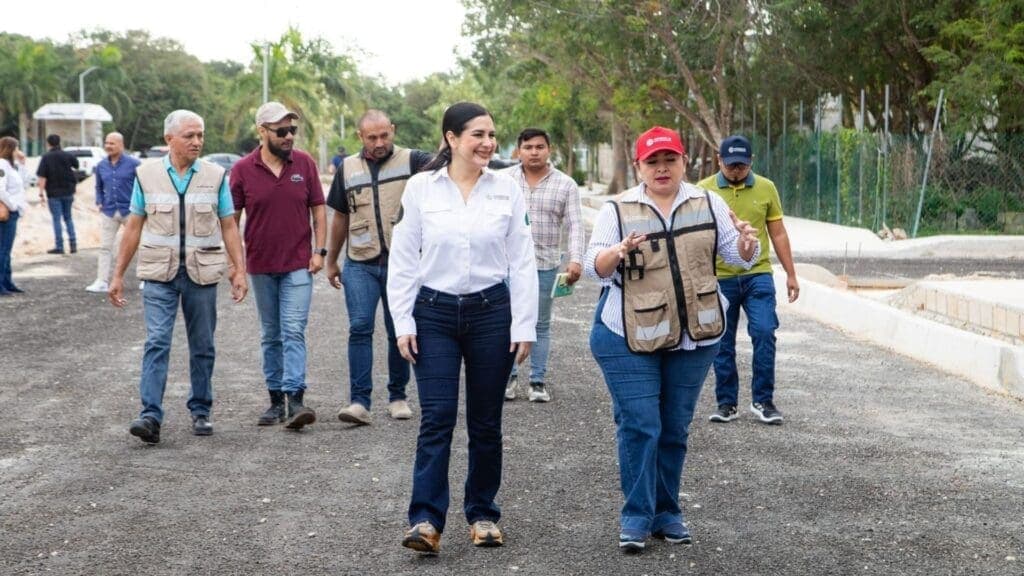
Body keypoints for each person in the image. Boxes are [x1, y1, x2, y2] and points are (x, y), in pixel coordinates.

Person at [585, 126, 759, 552]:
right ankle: (636, 517)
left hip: (694, 336)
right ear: (638, 166)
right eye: (653, 162)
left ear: (684, 162)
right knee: (641, 424)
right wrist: (618, 252)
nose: (662, 168)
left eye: (670, 160)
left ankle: (667, 513)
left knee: (675, 428)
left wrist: (747, 243)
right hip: (626, 335)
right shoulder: (618, 209)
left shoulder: (708, 202)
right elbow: (593, 268)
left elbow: (738, 257)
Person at [387, 102, 538, 554]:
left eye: (491, 135)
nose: (488, 143)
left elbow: (522, 259)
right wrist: (402, 321)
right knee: (436, 417)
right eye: (478, 135)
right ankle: (425, 521)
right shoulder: (421, 188)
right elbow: (404, 259)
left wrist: (524, 325)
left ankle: (483, 513)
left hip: (492, 313)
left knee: (486, 421)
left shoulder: (506, 189)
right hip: (433, 314)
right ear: (451, 138)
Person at [109, 110, 247, 445]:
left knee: (203, 345)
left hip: (202, 272)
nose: (197, 142)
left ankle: (201, 410)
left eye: (200, 135)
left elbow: (229, 225)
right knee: (157, 342)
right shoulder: (146, 175)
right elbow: (133, 226)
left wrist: (239, 269)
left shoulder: (216, 176)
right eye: (189, 136)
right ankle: (150, 416)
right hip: (160, 274)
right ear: (169, 139)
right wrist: (117, 274)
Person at [325, 110, 433, 425]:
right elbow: (340, 217)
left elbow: (447, 165)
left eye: (385, 135)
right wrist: (331, 260)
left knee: (399, 328)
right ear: (360, 137)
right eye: (372, 137)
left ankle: (398, 397)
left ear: (393, 130)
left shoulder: (413, 161)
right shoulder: (347, 168)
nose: (379, 142)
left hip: (403, 264)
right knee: (360, 327)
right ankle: (359, 402)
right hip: (360, 262)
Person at [231, 102, 326, 430]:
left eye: (292, 130)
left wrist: (320, 251)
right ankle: (275, 401)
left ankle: (295, 399)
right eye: (281, 131)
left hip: (298, 264)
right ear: (262, 131)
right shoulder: (242, 169)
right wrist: (236, 266)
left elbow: (318, 209)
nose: (288, 137)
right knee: (271, 334)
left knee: (293, 329)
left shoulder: (305, 163)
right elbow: (231, 221)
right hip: (260, 266)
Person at [697, 135, 799, 425]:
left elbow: (778, 233)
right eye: (730, 165)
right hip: (720, 277)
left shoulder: (766, 188)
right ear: (719, 160)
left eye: (742, 165)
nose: (736, 171)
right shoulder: (703, 191)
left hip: (758, 274)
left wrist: (791, 274)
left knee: (765, 331)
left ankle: (763, 401)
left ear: (751, 162)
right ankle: (727, 403)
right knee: (722, 341)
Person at [502, 128, 585, 402]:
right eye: (528, 147)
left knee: (540, 323)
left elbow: (575, 225)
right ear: (519, 151)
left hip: (546, 264)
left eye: (540, 147)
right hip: (506, 265)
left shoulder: (565, 184)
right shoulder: (503, 181)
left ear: (549, 149)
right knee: (507, 321)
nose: (534, 152)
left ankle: (537, 381)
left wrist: (576, 259)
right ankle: (509, 378)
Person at [86, 132, 142, 293]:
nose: (108, 146)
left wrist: (142, 206)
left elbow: (143, 185)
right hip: (109, 211)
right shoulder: (101, 166)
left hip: (131, 211)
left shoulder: (134, 164)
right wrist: (99, 201)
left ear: (121, 145)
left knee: (141, 245)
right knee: (105, 247)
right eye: (107, 143)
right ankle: (102, 281)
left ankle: (146, 279)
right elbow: (98, 187)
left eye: (112, 143)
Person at [35, 134, 79, 254]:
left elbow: (42, 177)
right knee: (68, 218)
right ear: (60, 142)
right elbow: (76, 165)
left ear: (48, 143)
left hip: (53, 193)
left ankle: (59, 246)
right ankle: (73, 244)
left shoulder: (46, 157)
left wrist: (41, 193)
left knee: (56, 219)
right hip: (68, 191)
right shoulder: (67, 155)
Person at [0, 137, 29, 296]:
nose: (19, 151)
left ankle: (7, 281)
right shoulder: (2, 165)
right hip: (8, 213)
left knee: (7, 249)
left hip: (14, 211)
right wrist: (12, 206)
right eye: (17, 148)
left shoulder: (12, 166)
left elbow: (24, 183)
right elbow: (0, 189)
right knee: (3, 249)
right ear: (10, 149)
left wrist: (23, 164)